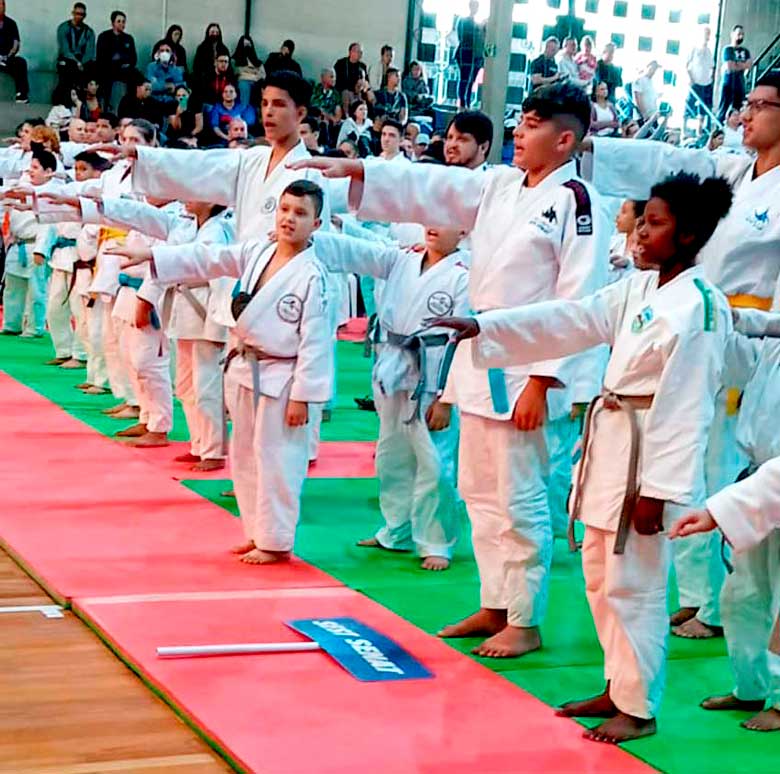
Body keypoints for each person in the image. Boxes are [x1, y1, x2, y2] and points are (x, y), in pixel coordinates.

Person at [290, 82, 610, 658]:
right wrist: (360, 169)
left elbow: (581, 301)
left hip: (529, 368)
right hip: (481, 355)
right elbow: (433, 185)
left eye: (533, 123)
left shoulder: (578, 201)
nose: (518, 129)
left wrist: (545, 379)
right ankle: (494, 602)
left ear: (565, 139)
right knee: (478, 490)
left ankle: (525, 618)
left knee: (523, 498)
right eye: (521, 118)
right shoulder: (501, 186)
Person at [433, 171, 734, 743]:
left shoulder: (698, 307)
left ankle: (639, 708)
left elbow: (687, 409)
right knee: (600, 577)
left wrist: (658, 491)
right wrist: (485, 326)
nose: (640, 234)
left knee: (634, 585)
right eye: (642, 221)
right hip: (613, 441)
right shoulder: (639, 289)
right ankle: (617, 685)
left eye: (656, 224)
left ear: (690, 235)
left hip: (646, 460)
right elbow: (570, 319)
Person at [580, 72, 780, 640]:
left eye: (762, 106)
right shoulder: (733, 169)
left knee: (715, 464)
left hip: (747, 336)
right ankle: (694, 596)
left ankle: (717, 605)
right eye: (747, 104)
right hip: (694, 317)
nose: (747, 115)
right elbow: (671, 160)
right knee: (690, 460)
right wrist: (598, 145)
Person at [112, 181, 333, 563]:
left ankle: (277, 542)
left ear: (316, 224)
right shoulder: (258, 252)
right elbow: (207, 258)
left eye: (300, 214)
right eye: (284, 210)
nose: (289, 219)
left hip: (284, 378)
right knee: (246, 456)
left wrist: (304, 396)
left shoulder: (314, 275)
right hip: (246, 366)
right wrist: (151, 254)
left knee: (280, 459)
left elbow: (317, 341)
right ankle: (257, 531)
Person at [315, 225, 468, 570]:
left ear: (462, 229)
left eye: (443, 219)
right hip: (394, 367)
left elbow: (466, 342)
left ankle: (436, 541)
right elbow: (356, 251)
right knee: (391, 454)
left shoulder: (465, 275)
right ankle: (397, 531)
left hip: (434, 377)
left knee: (436, 464)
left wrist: (447, 398)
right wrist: (312, 239)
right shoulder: (403, 259)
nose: (432, 225)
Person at [670, 435, 780, 732]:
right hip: (762, 483)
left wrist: (717, 512)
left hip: (769, 485)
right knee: (741, 597)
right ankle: (751, 688)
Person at [2, 150, 62, 338]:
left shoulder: (55, 193)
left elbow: (49, 226)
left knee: (36, 289)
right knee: (12, 286)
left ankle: (34, 327)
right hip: (17, 243)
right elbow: (6, 208)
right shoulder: (21, 188)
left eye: (35, 168)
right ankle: (12, 324)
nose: (31, 171)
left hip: (36, 245)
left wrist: (41, 250)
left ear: (49, 171)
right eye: (30, 168)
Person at [96, 10, 136, 113]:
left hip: (124, 70)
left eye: (123, 21)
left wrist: (124, 62)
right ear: (113, 23)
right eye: (119, 21)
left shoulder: (128, 38)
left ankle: (131, 108)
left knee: (135, 75)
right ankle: (104, 108)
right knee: (103, 75)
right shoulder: (104, 36)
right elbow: (101, 57)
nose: (122, 24)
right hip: (107, 69)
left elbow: (133, 58)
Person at [451, 0, 485, 108]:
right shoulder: (464, 21)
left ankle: (467, 102)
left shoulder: (476, 24)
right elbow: (463, 37)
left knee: (471, 80)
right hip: (466, 53)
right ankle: (463, 103)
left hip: (475, 55)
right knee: (465, 79)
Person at [56, 2, 96, 91]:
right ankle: (62, 99)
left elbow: (90, 51)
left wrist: (82, 63)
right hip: (67, 58)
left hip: (83, 60)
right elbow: (65, 49)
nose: (79, 17)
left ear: (85, 16)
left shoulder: (89, 31)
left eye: (82, 14)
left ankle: (85, 96)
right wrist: (77, 62)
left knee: (93, 68)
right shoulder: (63, 28)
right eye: (77, 14)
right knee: (67, 70)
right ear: (73, 13)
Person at [718, 24, 752, 122]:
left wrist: (736, 65)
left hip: (740, 85)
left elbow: (749, 65)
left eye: (742, 34)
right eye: (738, 34)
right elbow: (729, 66)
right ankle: (718, 131)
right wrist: (742, 65)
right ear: (732, 34)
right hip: (728, 84)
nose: (740, 36)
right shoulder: (727, 50)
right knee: (723, 109)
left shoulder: (745, 51)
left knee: (738, 111)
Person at [686, 25, 715, 137]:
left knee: (702, 109)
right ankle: (685, 130)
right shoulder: (693, 49)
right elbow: (686, 65)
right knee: (689, 105)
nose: (707, 36)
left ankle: (699, 131)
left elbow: (712, 66)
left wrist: (710, 79)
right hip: (695, 82)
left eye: (709, 34)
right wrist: (690, 78)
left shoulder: (708, 51)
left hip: (706, 83)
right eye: (705, 33)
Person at [607, 198, 645, 281]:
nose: (617, 215)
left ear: (638, 219)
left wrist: (628, 265)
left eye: (624, 212)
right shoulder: (612, 242)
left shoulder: (645, 251)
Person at [0, 0, 29, 103]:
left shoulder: (11, 23)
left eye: (3, 4)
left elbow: (16, 42)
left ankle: (21, 94)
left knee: (21, 62)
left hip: (7, 57)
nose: (1, 7)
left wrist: (9, 54)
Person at [334, 42, 371, 114]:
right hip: (344, 91)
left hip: (359, 92)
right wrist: (353, 86)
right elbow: (337, 81)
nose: (360, 54)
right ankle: (347, 116)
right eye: (358, 52)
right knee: (346, 93)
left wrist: (363, 86)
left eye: (361, 52)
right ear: (351, 52)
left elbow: (366, 81)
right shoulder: (341, 63)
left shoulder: (362, 66)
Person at [232, 35, 264, 108]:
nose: (247, 47)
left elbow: (262, 75)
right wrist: (253, 73)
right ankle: (243, 111)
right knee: (244, 85)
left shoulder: (257, 62)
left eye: (249, 45)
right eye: (245, 44)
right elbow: (237, 72)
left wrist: (245, 72)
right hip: (243, 83)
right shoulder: (235, 60)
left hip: (257, 83)